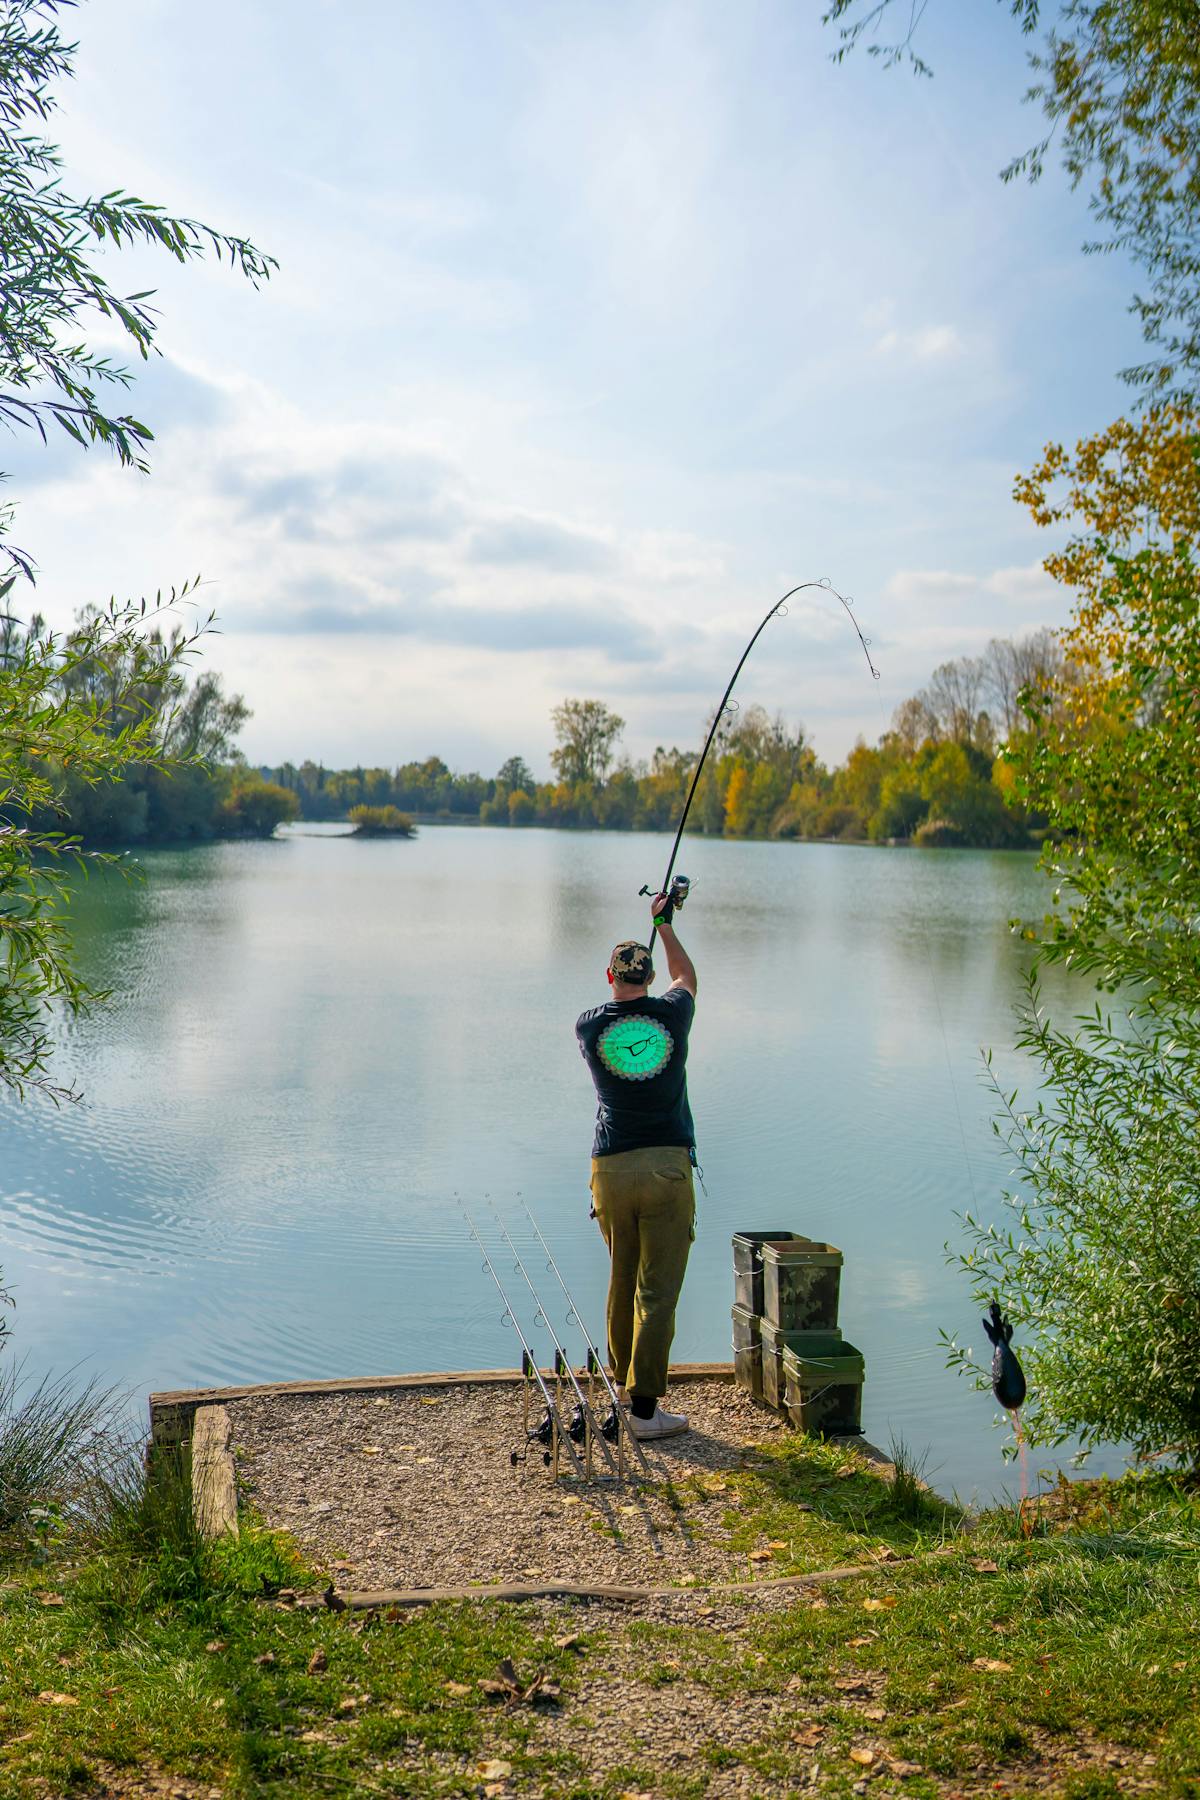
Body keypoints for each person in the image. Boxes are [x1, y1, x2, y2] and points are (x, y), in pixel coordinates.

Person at [575, 891, 698, 1440]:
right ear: (649, 977)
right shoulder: (673, 1014)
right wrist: (665, 924)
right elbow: (686, 976)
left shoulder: (590, 1027)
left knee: (621, 1278)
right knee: (658, 1289)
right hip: (666, 1169)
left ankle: (622, 1392)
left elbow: (625, 1001)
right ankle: (645, 1411)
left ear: (608, 975)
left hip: (611, 1170)